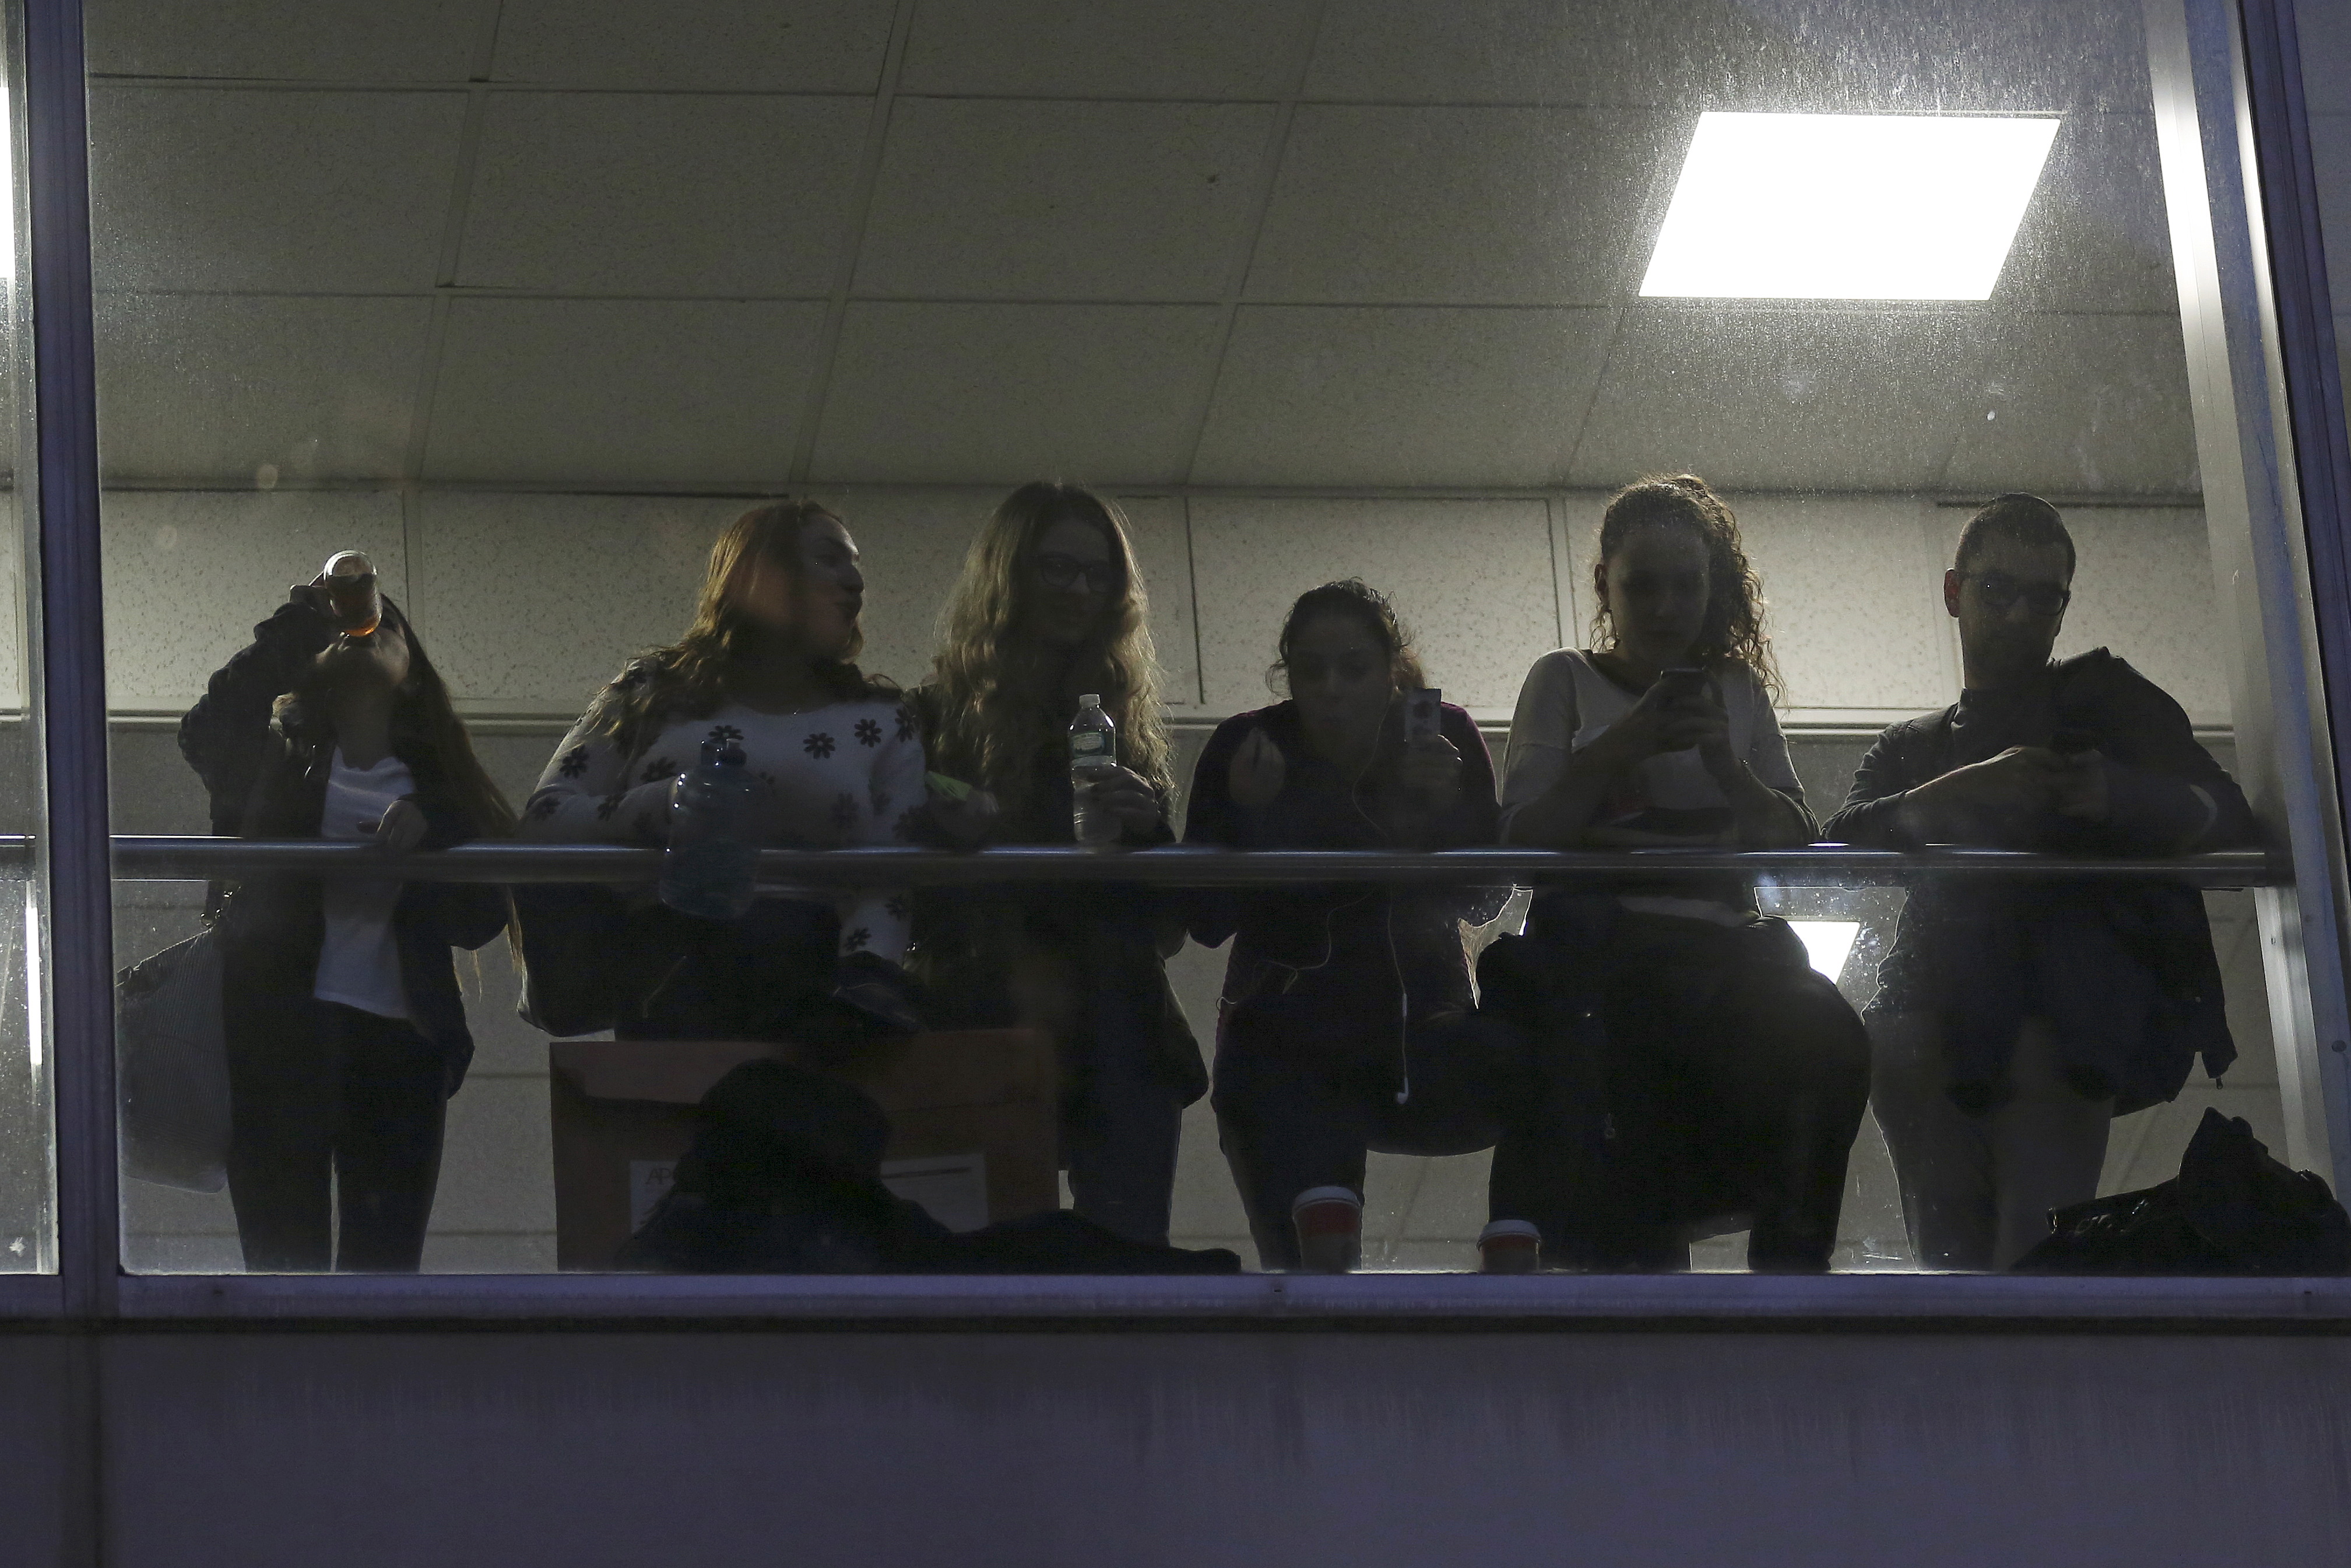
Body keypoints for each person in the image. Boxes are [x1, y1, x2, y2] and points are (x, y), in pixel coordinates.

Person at [1821, 493, 2252, 1271]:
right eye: (1996, 591)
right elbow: (1837, 848)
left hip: (2054, 1005)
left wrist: (2118, 795)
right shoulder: (1915, 745)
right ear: (1955, 593)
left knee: (2027, 1253)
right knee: (1962, 1255)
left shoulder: (2108, 701)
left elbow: (2227, 816)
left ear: (2062, 609)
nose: (2018, 615)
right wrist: (1955, 794)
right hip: (1939, 1005)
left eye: (2041, 597)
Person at [1496, 474, 1869, 1272]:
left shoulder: (1736, 691)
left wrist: (1726, 769)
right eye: (1643, 586)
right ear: (1605, 585)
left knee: (1828, 1029)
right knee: (1623, 1071)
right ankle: (1646, 1271)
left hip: (1722, 952)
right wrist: (1616, 749)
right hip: (1601, 950)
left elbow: (1794, 841)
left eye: (1685, 585)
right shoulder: (1562, 677)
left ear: (1713, 587)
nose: (1665, 608)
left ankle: (1790, 1273)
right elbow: (1521, 840)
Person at [1185, 579, 1530, 1271]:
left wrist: (1446, 813)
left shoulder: (1443, 734)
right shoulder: (1249, 745)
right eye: (1312, 670)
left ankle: (1522, 1241)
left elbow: (1485, 896)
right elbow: (1203, 917)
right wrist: (1249, 819)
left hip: (1422, 1031)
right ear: (1288, 675)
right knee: (1306, 1262)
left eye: (1353, 667)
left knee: (1548, 1061)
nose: (1332, 689)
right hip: (1288, 1037)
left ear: (1391, 670)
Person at [179, 582, 515, 1272]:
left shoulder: (437, 781)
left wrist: (436, 840)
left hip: (400, 1050)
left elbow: (480, 916)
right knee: (282, 1273)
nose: (361, 633)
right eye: (343, 631)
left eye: (382, 626)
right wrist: (295, 625)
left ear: (410, 667)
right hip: (275, 1038)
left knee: (385, 1276)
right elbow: (207, 728)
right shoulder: (274, 757)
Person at [906, 480, 1203, 1247]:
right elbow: (901, 890)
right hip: (987, 1012)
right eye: (1057, 568)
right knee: (991, 1282)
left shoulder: (1121, 721)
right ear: (1009, 575)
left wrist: (1149, 837)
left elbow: (1167, 927)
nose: (1079, 589)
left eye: (1098, 574)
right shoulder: (931, 720)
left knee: (1125, 1280)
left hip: (1118, 1019)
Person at [518, 498, 923, 1043]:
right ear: (760, 574)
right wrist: (662, 806)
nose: (854, 582)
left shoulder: (879, 718)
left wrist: (868, 976)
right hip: (669, 967)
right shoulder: (652, 689)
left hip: (817, 984)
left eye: (855, 565)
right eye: (830, 560)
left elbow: (893, 870)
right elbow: (547, 815)